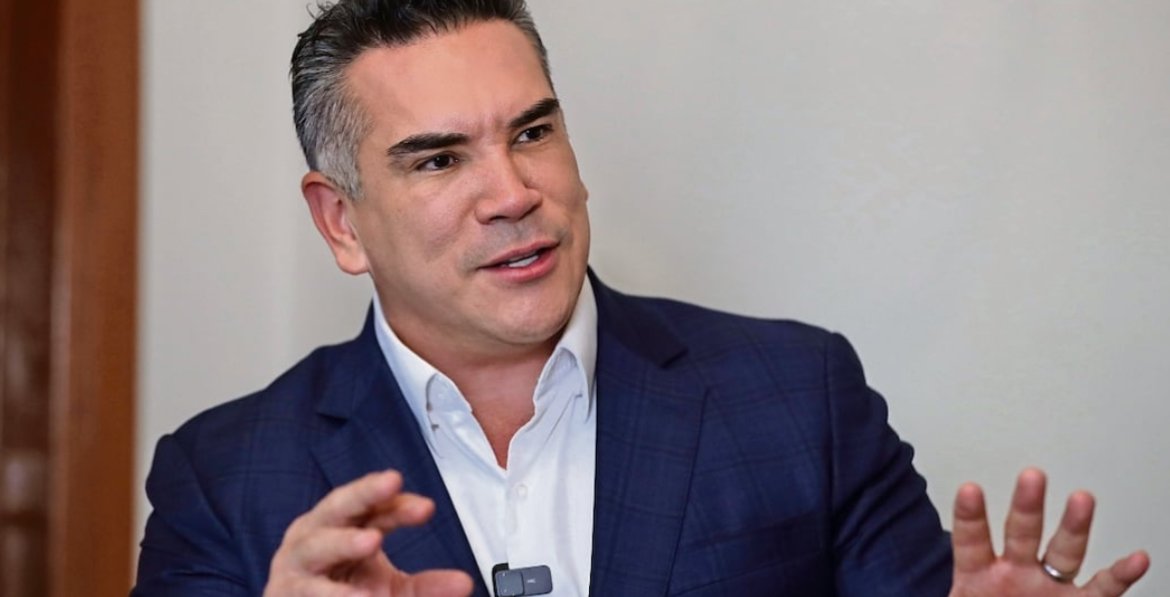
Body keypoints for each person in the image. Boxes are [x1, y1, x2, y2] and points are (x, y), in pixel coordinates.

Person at [132, 1, 1150, 595]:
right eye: (439, 159)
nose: (513, 193)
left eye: (532, 132)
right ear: (342, 223)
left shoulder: (799, 397)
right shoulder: (225, 479)